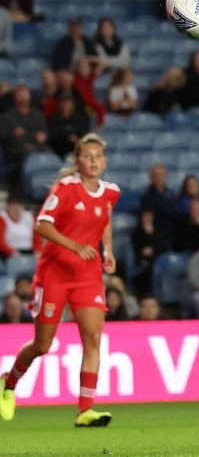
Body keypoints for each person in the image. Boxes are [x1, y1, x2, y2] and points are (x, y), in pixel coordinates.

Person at [0, 133, 120, 427]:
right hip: (54, 274)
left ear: (104, 162)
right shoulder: (65, 189)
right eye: (87, 156)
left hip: (88, 276)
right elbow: (42, 225)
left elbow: (104, 218)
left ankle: (85, 410)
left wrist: (108, 250)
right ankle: (8, 382)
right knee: (43, 345)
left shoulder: (110, 192)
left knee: (92, 338)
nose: (92, 161)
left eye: (97, 157)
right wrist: (74, 245)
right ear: (77, 161)